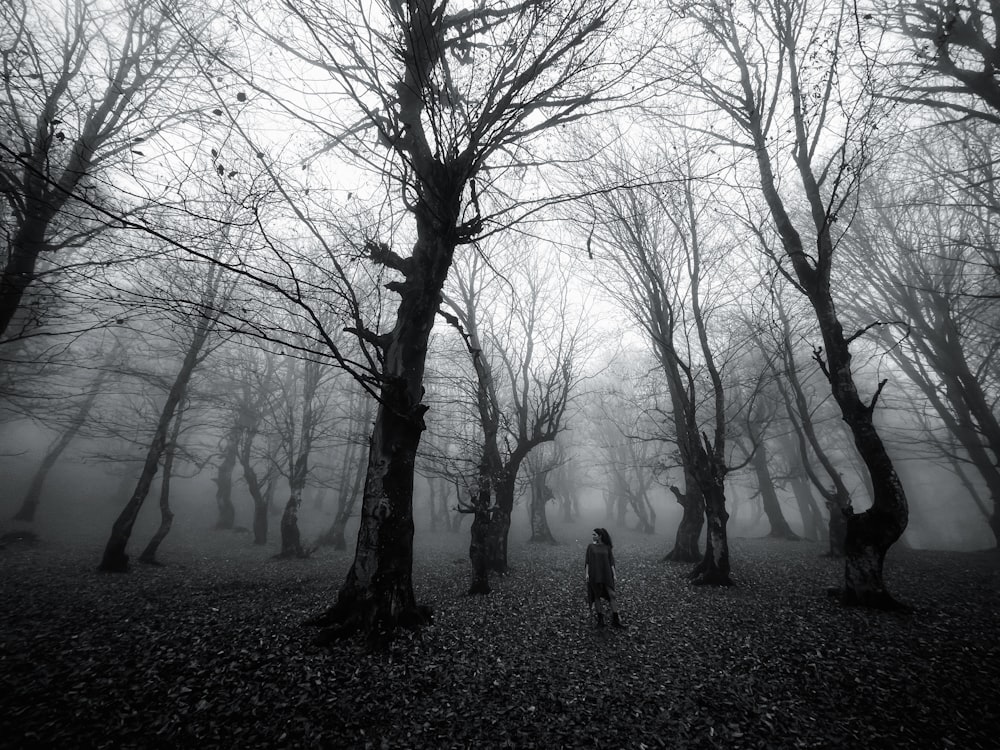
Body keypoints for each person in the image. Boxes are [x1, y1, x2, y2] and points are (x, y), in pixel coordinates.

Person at [585, 528, 625, 628]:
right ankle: (600, 620)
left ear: (600, 536)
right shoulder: (590, 547)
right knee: (596, 596)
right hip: (594, 573)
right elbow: (587, 561)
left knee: (612, 595)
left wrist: (614, 574)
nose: (593, 536)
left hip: (606, 573)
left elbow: (611, 561)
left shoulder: (607, 547)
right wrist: (586, 574)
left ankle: (615, 620)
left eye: (594, 534)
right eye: (592, 534)